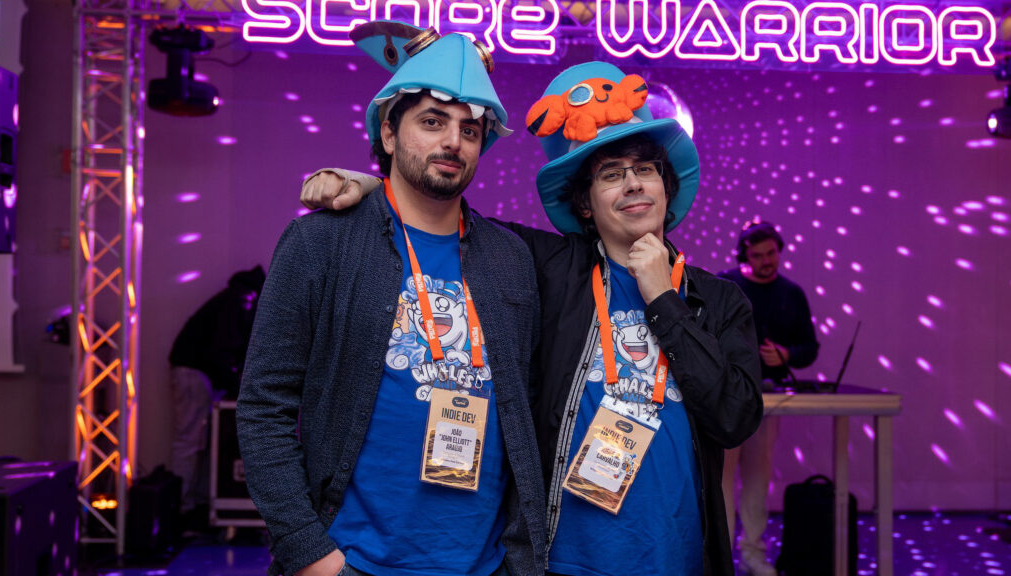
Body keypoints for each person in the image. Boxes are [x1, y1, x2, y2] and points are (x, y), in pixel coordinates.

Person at [302, 61, 764, 576]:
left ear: (666, 185)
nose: (633, 184)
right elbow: (439, 208)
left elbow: (735, 418)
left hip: (677, 560)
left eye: (645, 169)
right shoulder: (545, 269)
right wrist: (367, 184)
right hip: (559, 562)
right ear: (585, 204)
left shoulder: (718, 300)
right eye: (611, 175)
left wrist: (664, 302)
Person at [236, 21, 547, 576]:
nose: (453, 141)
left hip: (484, 564)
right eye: (432, 122)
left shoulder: (510, 256)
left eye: (470, 130)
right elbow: (264, 407)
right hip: (352, 562)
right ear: (388, 132)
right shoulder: (320, 242)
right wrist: (309, 553)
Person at [718, 221, 819, 576]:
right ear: (744, 256)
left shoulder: (791, 293)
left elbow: (810, 347)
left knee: (758, 478)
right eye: (758, 255)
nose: (766, 261)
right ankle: (721, 555)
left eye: (771, 254)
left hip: (768, 398)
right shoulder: (725, 284)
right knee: (722, 480)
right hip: (727, 397)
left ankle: (752, 554)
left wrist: (786, 355)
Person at [169, 265, 264, 524]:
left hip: (195, 371)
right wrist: (236, 384)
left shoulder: (238, 295)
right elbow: (222, 349)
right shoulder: (241, 299)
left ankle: (190, 505)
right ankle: (182, 510)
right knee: (190, 441)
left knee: (196, 442)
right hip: (194, 372)